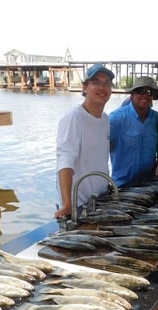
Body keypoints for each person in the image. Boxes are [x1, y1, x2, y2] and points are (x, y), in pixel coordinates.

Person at [54, 64, 115, 219]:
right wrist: (68, 204)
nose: (102, 87)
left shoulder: (105, 119)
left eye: (107, 83)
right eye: (96, 82)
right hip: (78, 206)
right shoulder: (73, 118)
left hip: (100, 201)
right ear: (85, 87)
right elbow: (65, 162)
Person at [109, 76, 158, 187]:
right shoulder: (115, 119)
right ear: (132, 94)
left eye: (149, 92)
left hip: (150, 184)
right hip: (122, 185)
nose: (145, 95)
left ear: (153, 96)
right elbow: (100, 149)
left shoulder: (157, 119)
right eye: (140, 91)